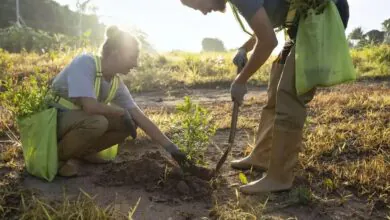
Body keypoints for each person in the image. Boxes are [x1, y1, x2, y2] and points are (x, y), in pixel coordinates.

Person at [180, 0, 349, 193]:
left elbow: (268, 41)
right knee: (275, 90)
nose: (202, 12)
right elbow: (268, 21)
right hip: (299, 24)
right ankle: (262, 156)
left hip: (322, 18)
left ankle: (279, 178)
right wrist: (245, 47)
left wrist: (241, 81)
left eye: (197, 5)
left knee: (289, 96)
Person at [49, 26, 187, 177]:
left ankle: (84, 152)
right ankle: (56, 159)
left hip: (77, 121)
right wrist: (120, 111)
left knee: (129, 124)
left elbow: (140, 117)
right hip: (53, 120)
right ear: (116, 53)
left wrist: (172, 149)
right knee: (98, 122)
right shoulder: (85, 63)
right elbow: (90, 106)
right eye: (132, 57)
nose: (136, 64)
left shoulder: (116, 83)